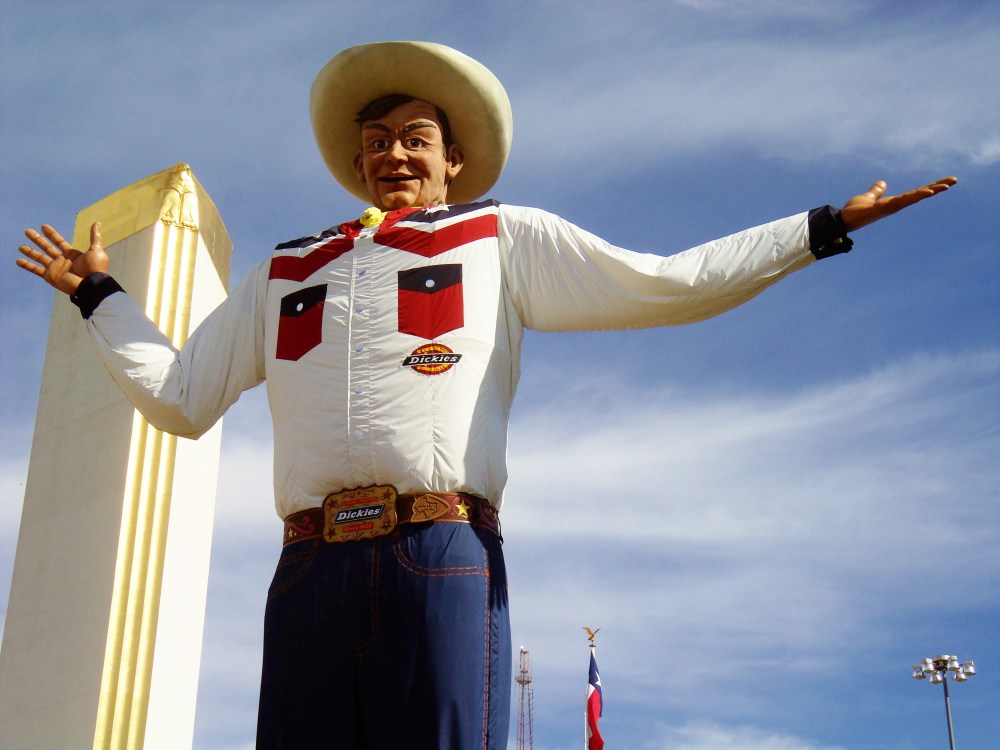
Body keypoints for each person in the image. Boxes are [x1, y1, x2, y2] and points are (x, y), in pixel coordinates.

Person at [16, 41, 956, 750]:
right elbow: (181, 396)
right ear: (356, 163)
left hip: (441, 551)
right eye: (376, 142)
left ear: (454, 158)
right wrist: (100, 296)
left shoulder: (501, 238)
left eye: (415, 140)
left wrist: (822, 226)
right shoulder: (283, 271)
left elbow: (668, 282)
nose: (394, 155)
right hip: (307, 571)